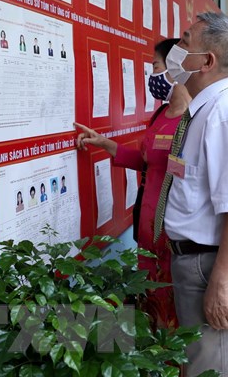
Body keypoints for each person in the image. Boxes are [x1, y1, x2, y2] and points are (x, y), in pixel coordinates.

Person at [158, 12, 228, 376]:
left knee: (217, 369)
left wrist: (221, 284)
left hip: (214, 267)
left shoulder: (227, 116)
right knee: (201, 366)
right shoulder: (205, 110)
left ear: (206, 61)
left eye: (185, 41)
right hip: (201, 264)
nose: (176, 49)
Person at [75, 38, 188, 329]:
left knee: (173, 303)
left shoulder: (194, 120)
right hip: (146, 223)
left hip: (174, 226)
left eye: (156, 66)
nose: (152, 75)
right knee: (148, 296)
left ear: (176, 68)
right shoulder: (160, 115)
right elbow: (146, 161)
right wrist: (104, 144)